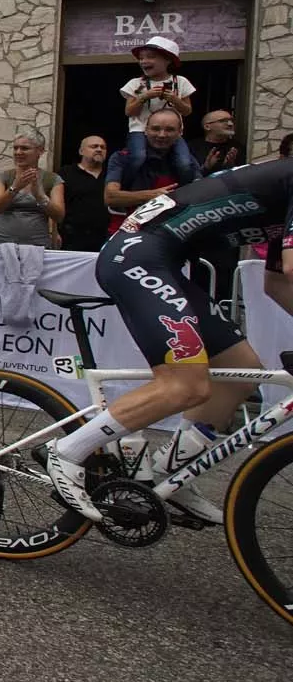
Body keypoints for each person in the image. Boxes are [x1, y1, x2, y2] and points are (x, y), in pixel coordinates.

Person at [45, 156, 293, 526]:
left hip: (162, 257)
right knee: (184, 385)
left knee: (242, 372)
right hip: (138, 256)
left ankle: (169, 474)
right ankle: (65, 452)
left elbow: (277, 281)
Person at [119, 36, 199, 184]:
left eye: (150, 57)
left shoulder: (180, 82)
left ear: (168, 60)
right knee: (138, 157)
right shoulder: (136, 83)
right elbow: (129, 112)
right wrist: (144, 97)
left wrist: (174, 99)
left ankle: (185, 190)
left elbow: (187, 111)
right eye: (141, 58)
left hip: (171, 132)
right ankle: (124, 185)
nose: (144, 61)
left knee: (185, 163)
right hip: (140, 130)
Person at [105, 108, 187, 234]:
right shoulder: (122, 158)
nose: (161, 135)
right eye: (155, 129)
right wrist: (153, 196)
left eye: (169, 130)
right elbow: (110, 197)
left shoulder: (186, 162)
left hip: (171, 236)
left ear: (180, 132)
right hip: (126, 235)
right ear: (145, 130)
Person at [0, 130, 65, 246]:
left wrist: (40, 196)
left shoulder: (52, 179)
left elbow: (59, 216)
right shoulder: (3, 177)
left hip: (37, 244)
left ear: (40, 151)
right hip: (1, 242)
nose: (18, 152)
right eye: (15, 148)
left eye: (24, 148)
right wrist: (14, 188)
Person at [56, 135, 110, 252]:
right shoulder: (66, 173)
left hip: (107, 238)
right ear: (81, 151)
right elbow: (54, 205)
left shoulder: (112, 175)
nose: (99, 149)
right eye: (94, 146)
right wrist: (53, 232)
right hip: (72, 239)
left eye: (103, 147)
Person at [186, 109, 244, 175]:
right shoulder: (192, 147)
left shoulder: (237, 146)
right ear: (207, 127)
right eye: (223, 121)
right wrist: (206, 168)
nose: (230, 124)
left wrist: (230, 166)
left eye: (231, 120)